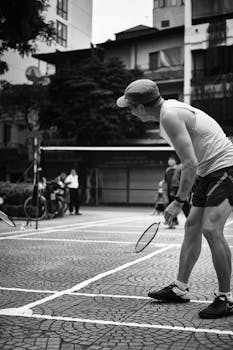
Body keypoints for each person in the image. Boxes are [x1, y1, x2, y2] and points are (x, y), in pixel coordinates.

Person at [116, 79, 233, 319]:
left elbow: (188, 163)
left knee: (211, 229)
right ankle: (180, 289)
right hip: (206, 171)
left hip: (225, 167)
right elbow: (191, 161)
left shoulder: (169, 115)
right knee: (192, 227)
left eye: (130, 107)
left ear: (139, 108)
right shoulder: (167, 113)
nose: (130, 112)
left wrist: (179, 200)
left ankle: (227, 298)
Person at [159, 156, 178, 226]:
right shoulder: (167, 170)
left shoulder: (178, 169)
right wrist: (162, 182)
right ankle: (173, 220)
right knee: (170, 204)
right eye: (169, 160)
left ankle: (172, 220)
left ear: (175, 161)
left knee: (175, 205)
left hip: (176, 190)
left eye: (172, 160)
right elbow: (166, 179)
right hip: (169, 190)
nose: (170, 161)